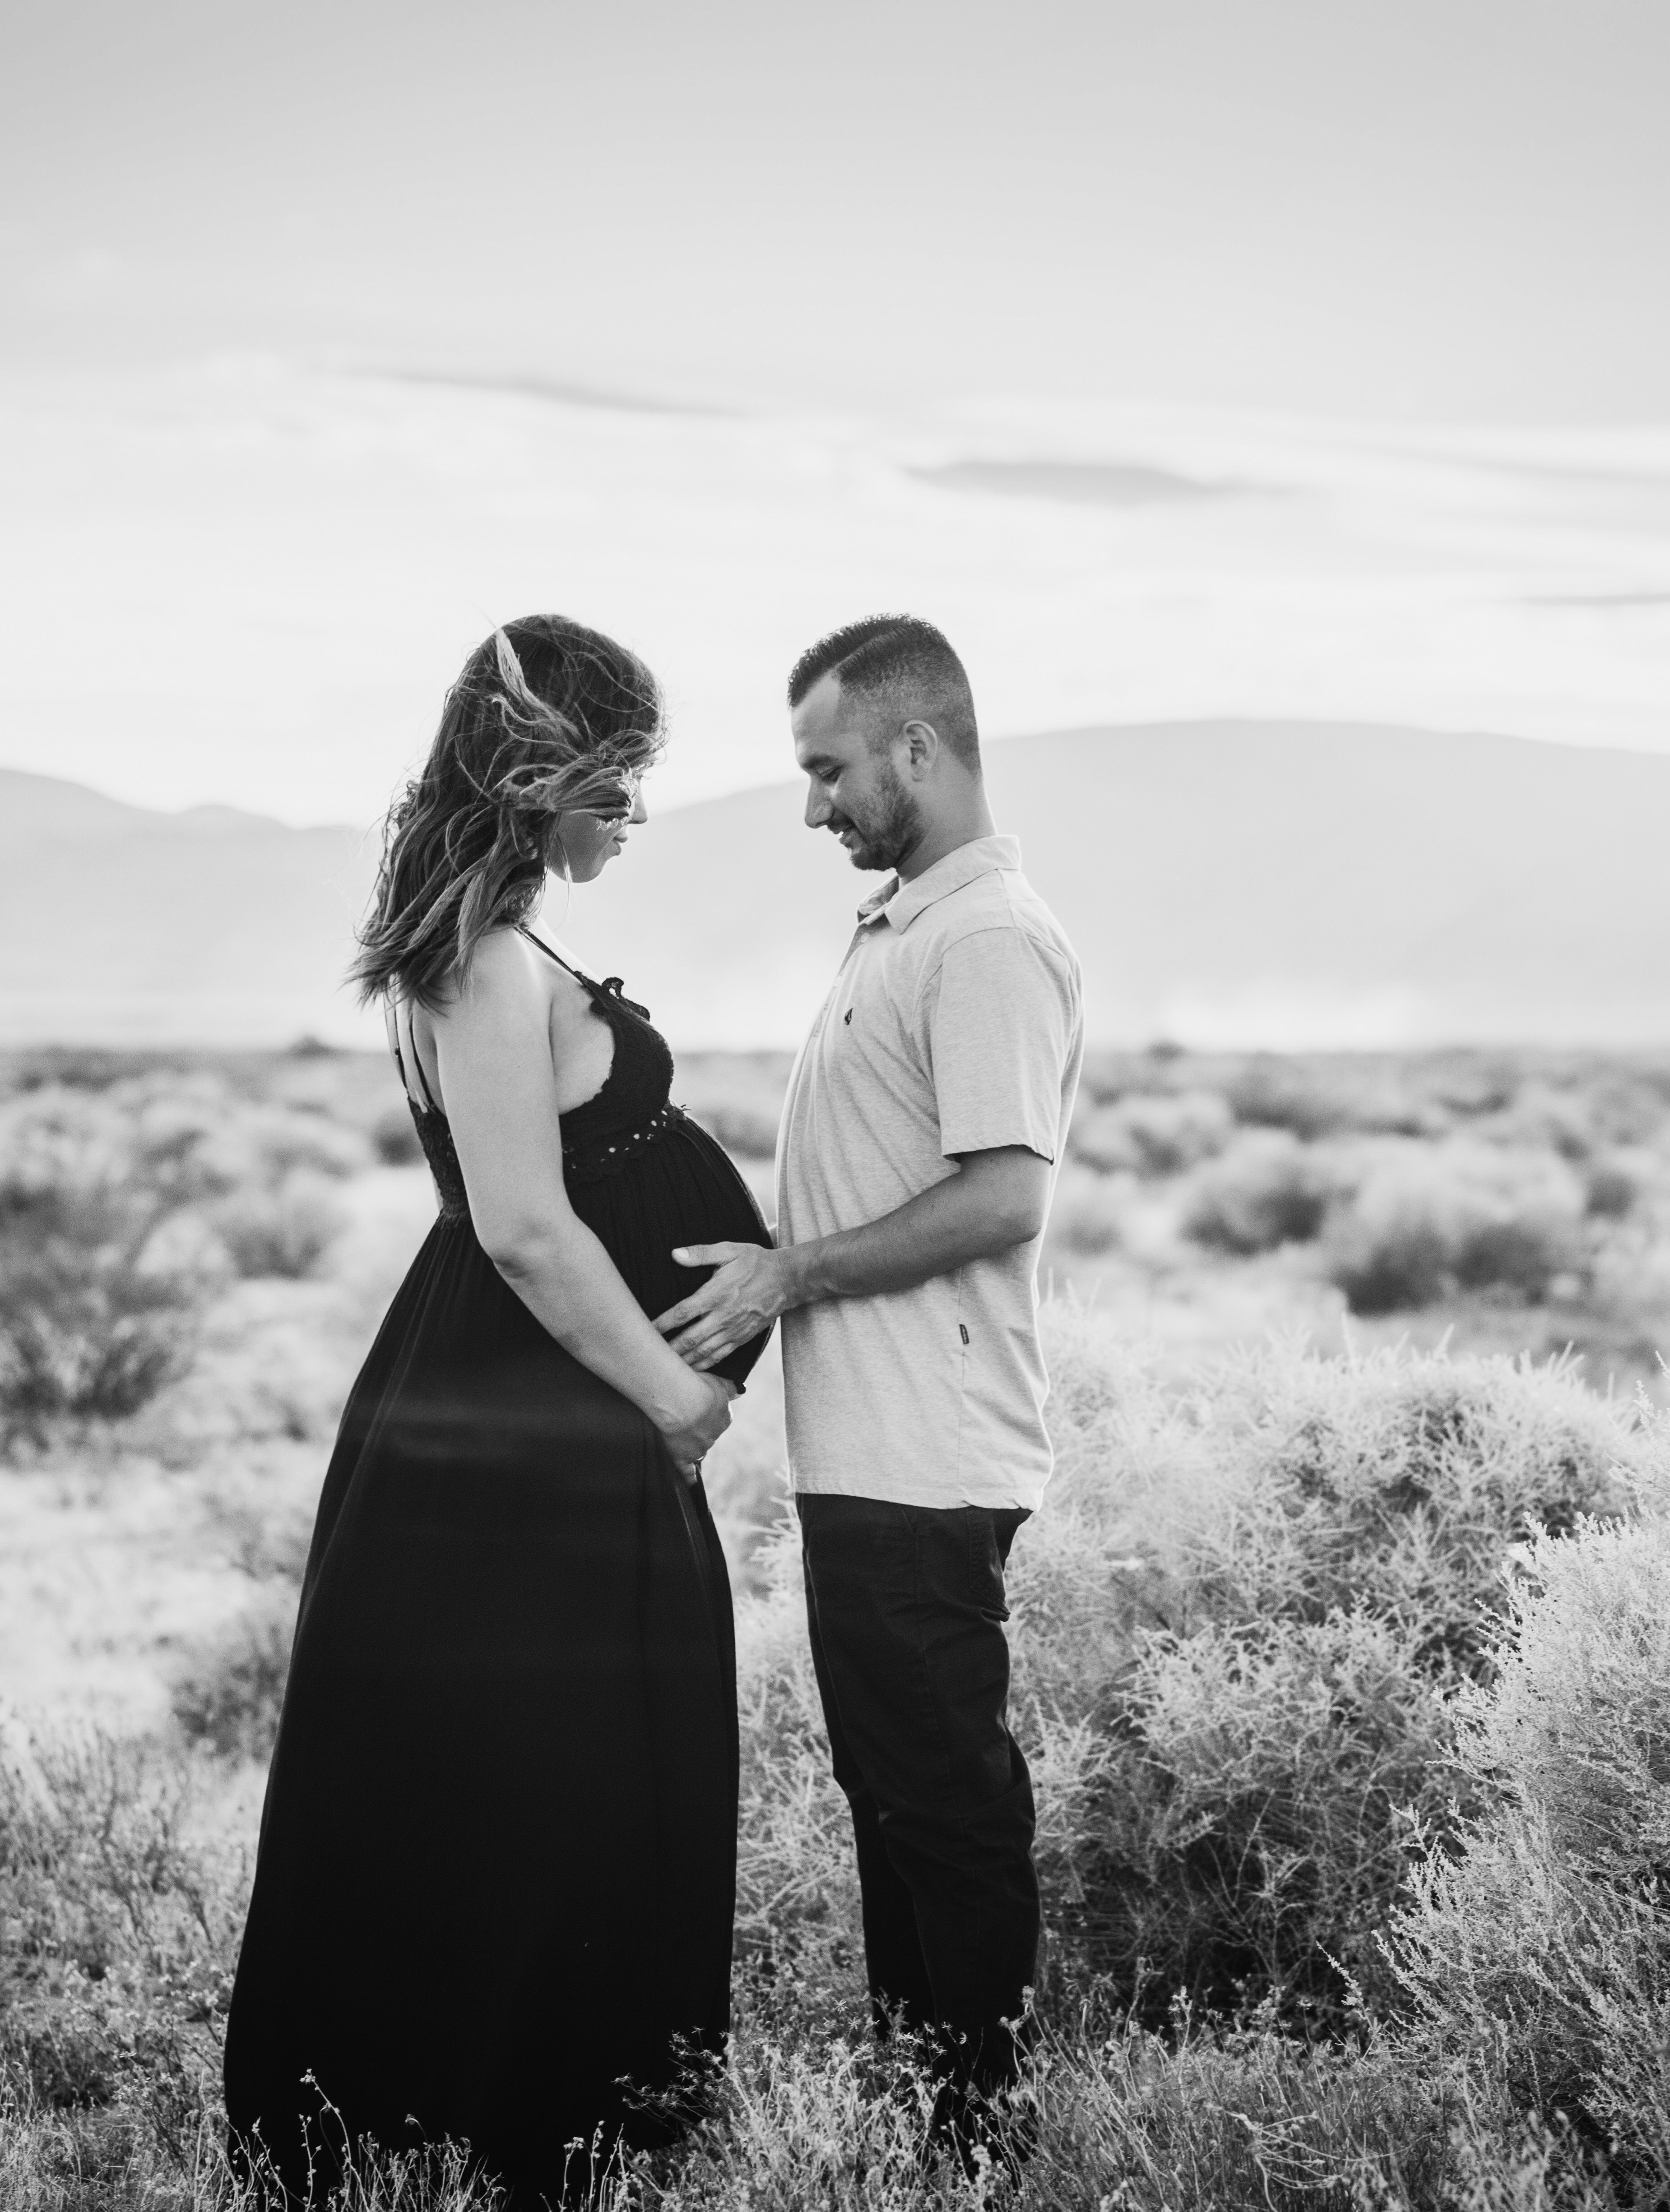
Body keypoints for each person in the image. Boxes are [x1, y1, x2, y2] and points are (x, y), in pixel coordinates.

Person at [223, 616, 770, 2207]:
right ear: (542, 780)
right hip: (527, 1417)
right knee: (546, 1758)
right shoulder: (475, 957)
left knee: (547, 1756)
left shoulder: (501, 946)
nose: (636, 816)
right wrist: (675, 1392)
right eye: (621, 780)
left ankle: (544, 2107)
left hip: (531, 1406)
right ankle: (501, 2107)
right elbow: (525, 1226)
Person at [654, 614, 1083, 2158]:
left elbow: (1000, 1199)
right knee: (895, 1798)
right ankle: (931, 2109)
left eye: (829, 767)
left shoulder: (984, 940)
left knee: (945, 1805)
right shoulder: (907, 925)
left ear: (917, 748)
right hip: (870, 1452)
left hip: (929, 1453)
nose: (815, 803)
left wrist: (787, 1274)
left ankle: (977, 2138)